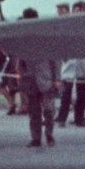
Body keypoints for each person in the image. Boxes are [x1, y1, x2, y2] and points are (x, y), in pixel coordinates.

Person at [12, 8, 59, 147]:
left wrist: (57, 78)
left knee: (48, 110)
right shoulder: (23, 40)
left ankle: (49, 135)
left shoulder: (46, 38)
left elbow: (55, 60)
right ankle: (36, 138)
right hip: (30, 80)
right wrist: (20, 76)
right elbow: (20, 61)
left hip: (46, 79)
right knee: (33, 112)